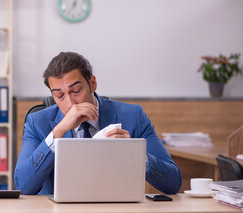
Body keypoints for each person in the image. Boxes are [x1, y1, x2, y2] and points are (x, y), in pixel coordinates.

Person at [15, 52, 182, 195]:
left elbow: (173, 183)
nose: (70, 104)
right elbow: (23, 186)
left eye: (76, 91)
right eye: (59, 96)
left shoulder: (133, 116)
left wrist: (136, 155)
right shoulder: (37, 122)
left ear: (92, 83)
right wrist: (58, 132)